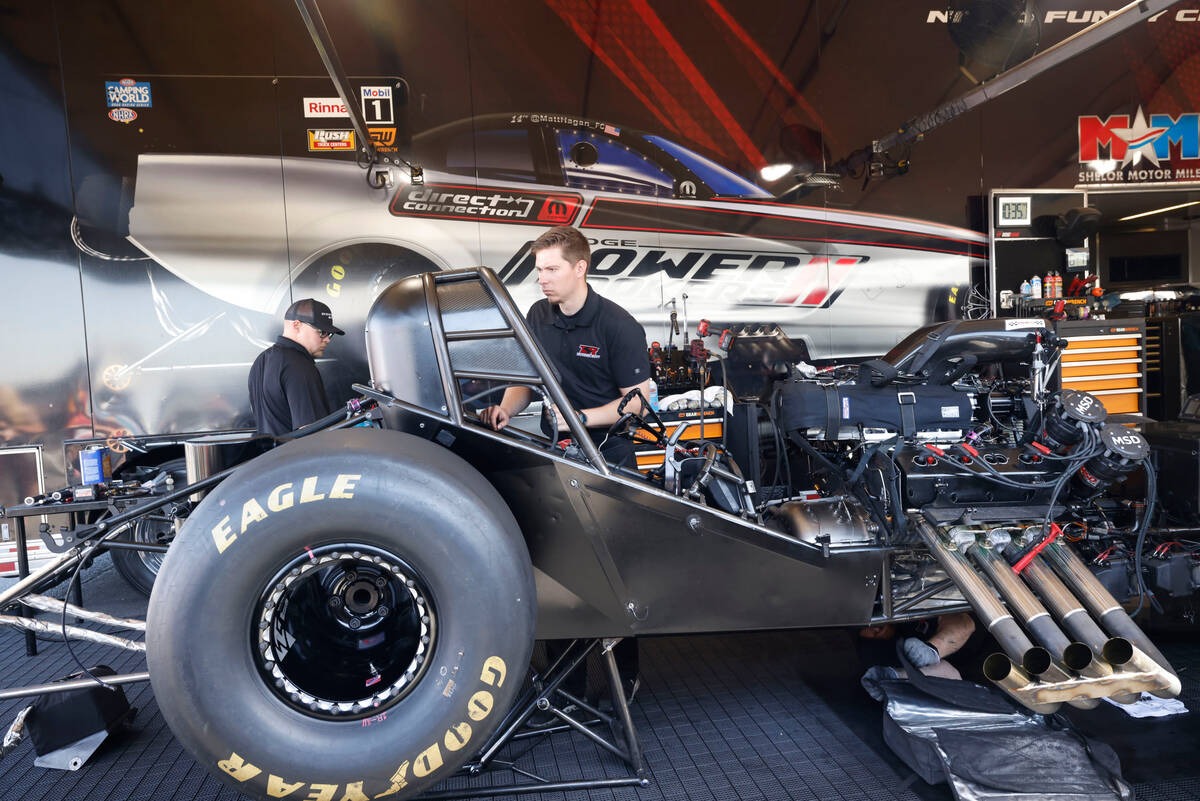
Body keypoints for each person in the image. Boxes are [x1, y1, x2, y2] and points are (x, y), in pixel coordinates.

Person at [480, 225, 651, 468]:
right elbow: (529, 380)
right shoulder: (538, 314)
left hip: (608, 454)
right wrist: (506, 409)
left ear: (579, 268)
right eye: (540, 270)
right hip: (555, 448)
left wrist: (579, 418)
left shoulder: (619, 325)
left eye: (552, 269)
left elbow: (638, 405)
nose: (542, 279)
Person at [248, 298, 344, 437]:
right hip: (297, 456)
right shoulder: (300, 366)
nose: (327, 339)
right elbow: (312, 434)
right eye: (322, 332)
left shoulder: (260, 361)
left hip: (269, 456)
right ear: (297, 325)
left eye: (329, 334)